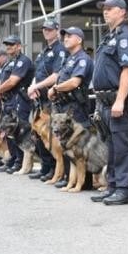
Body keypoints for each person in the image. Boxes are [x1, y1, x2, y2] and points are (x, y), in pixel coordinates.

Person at [90, 0, 128, 205]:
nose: (106, 11)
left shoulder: (126, 37)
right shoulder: (108, 37)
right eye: (104, 8)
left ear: (122, 12)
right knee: (112, 146)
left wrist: (120, 100)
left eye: (110, 8)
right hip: (105, 100)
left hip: (118, 99)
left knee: (123, 146)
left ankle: (125, 189)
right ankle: (113, 185)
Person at [47, 26, 94, 188]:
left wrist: (55, 88)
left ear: (79, 40)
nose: (65, 39)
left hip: (76, 108)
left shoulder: (82, 59)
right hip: (65, 105)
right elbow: (62, 79)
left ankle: (85, 182)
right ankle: (70, 179)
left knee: (79, 147)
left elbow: (75, 82)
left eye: (69, 36)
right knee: (68, 146)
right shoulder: (69, 59)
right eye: (64, 36)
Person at [28, 18, 67, 181]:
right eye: (44, 29)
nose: (46, 31)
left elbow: (56, 75)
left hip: (53, 100)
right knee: (40, 135)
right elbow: (38, 74)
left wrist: (36, 87)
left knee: (51, 136)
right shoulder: (45, 51)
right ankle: (45, 167)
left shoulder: (60, 50)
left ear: (57, 31)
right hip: (40, 100)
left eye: (50, 29)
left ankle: (54, 169)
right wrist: (33, 87)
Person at [0, 35, 35, 174]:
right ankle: (14, 159)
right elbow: (3, 79)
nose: (9, 47)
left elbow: (12, 81)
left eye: (12, 44)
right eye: (7, 45)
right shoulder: (10, 62)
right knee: (9, 131)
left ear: (19, 46)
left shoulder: (23, 61)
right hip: (9, 100)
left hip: (20, 100)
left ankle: (20, 162)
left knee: (19, 133)